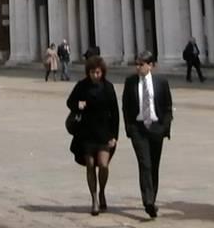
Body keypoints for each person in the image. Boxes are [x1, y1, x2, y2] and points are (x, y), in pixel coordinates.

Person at [65, 55, 120, 216]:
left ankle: (102, 190)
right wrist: (78, 104)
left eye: (98, 72)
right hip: (86, 133)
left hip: (104, 132)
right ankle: (94, 198)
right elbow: (70, 102)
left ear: (102, 72)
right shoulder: (82, 86)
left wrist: (114, 136)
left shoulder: (108, 87)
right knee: (90, 165)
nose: (95, 75)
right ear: (88, 73)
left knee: (103, 164)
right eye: (92, 72)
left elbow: (115, 113)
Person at [121, 50, 173, 219]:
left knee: (154, 166)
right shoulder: (130, 82)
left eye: (141, 64)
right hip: (139, 129)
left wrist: (165, 127)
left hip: (156, 128)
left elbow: (167, 106)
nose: (138, 67)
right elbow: (126, 106)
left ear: (151, 65)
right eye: (136, 64)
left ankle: (152, 198)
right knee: (145, 164)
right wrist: (130, 128)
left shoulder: (161, 82)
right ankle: (148, 201)